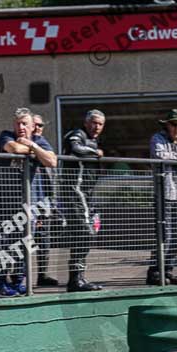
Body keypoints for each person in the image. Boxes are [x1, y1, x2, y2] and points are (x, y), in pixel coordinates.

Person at [0, 107, 57, 297]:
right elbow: (14, 148)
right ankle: (0, 284)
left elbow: (52, 161)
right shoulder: (6, 135)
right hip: (4, 202)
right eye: (18, 124)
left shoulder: (38, 140)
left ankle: (19, 281)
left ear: (32, 126)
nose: (20, 127)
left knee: (24, 244)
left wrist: (32, 146)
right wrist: (35, 152)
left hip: (30, 204)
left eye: (24, 124)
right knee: (2, 244)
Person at [60, 109, 106, 291]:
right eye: (94, 123)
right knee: (84, 233)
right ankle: (75, 279)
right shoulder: (77, 134)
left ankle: (77, 279)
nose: (97, 127)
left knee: (84, 234)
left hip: (87, 195)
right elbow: (76, 149)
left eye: (100, 124)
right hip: (74, 192)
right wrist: (95, 151)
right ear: (86, 122)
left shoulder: (93, 140)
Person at [146, 109, 177, 286]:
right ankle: (155, 271)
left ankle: (168, 269)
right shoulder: (157, 138)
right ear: (167, 124)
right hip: (164, 194)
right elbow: (160, 155)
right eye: (174, 124)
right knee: (164, 235)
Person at [31, 114, 60, 288]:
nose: (39, 128)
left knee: (43, 239)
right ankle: (17, 277)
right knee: (22, 240)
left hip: (44, 200)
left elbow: (52, 164)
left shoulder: (42, 143)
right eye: (36, 125)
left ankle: (42, 275)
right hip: (30, 200)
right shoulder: (27, 142)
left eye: (41, 125)